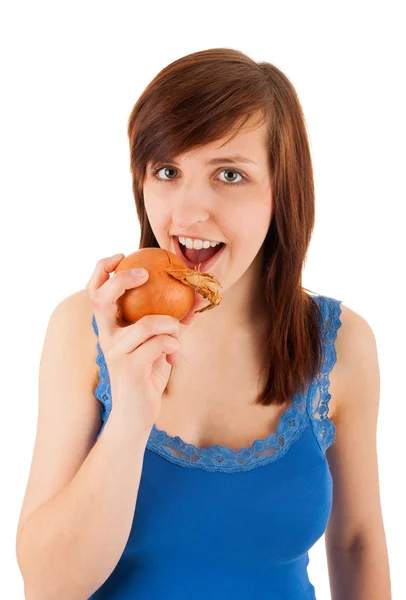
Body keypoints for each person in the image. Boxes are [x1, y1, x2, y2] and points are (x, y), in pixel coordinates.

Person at [16, 48, 391, 599]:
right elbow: (48, 587)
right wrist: (129, 416)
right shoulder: (85, 326)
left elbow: (357, 542)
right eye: (167, 171)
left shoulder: (339, 342)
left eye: (230, 174)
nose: (188, 213)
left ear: (281, 193)